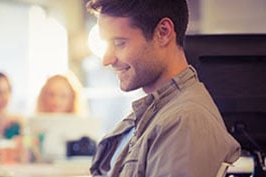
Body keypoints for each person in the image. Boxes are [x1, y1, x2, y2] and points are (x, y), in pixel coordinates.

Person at [86, 0, 241, 176]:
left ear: (163, 32)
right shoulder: (155, 112)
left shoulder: (183, 121)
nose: (106, 60)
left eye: (120, 43)